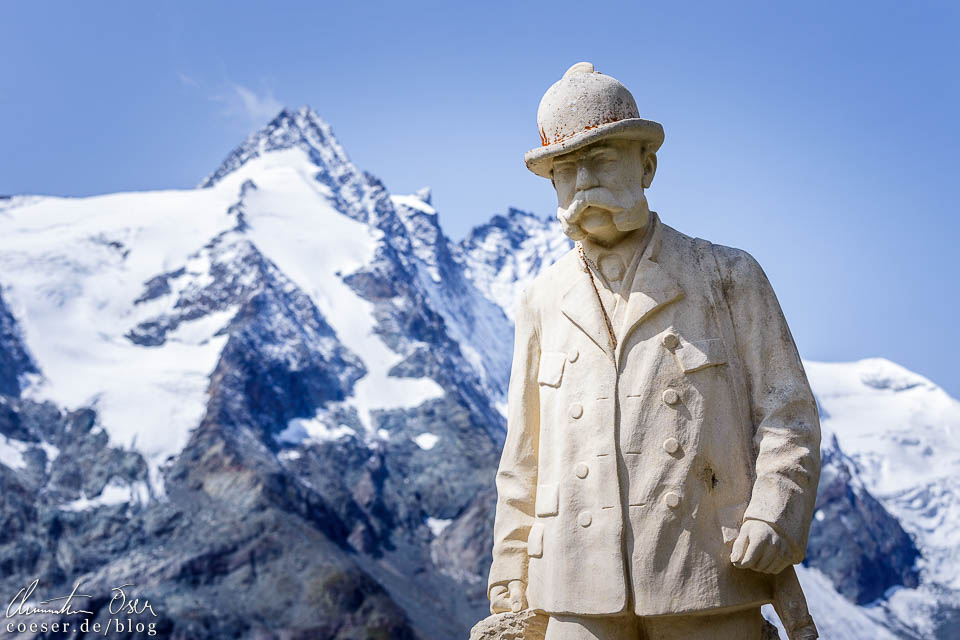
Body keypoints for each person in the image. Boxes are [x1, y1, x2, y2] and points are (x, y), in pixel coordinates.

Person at [487, 62, 821, 640]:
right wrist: (509, 566)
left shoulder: (727, 275)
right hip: (572, 582)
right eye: (566, 170)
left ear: (647, 166)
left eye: (602, 160)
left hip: (708, 573)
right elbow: (524, 454)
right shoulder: (540, 300)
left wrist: (774, 513)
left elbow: (786, 413)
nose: (584, 182)